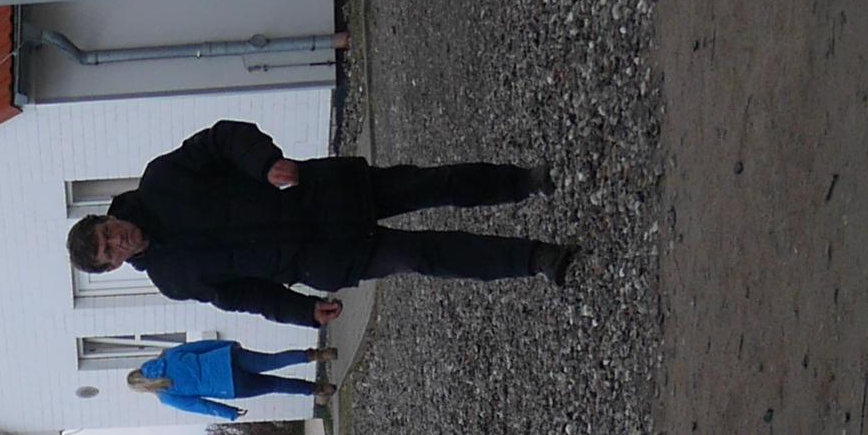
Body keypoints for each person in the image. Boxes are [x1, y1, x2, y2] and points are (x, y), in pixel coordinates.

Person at [65, 119, 569, 324]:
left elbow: (221, 140)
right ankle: (536, 259)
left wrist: (262, 162)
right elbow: (244, 295)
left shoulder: (161, 180)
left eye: (108, 232)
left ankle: (524, 182)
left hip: (327, 193)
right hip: (323, 258)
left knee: (433, 186)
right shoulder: (173, 281)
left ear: (107, 218)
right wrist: (302, 313)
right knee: (424, 255)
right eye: (111, 252)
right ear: (113, 267)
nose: (118, 241)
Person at [123, 339, 320, 424]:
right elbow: (202, 346)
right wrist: (228, 345)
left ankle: (319, 389)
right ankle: (315, 354)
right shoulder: (169, 355)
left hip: (231, 386)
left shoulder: (166, 395)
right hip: (227, 357)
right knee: (274, 360)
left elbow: (201, 406)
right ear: (142, 367)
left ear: (143, 388)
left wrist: (229, 413)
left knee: (275, 385)